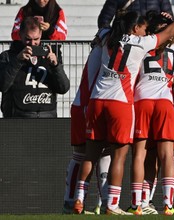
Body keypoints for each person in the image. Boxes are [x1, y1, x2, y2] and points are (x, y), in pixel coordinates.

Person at [73, 9, 174, 215]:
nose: (145, 32)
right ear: (136, 28)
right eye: (143, 29)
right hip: (120, 102)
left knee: (90, 155)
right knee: (118, 156)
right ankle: (112, 205)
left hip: (96, 99)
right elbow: (168, 33)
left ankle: (78, 200)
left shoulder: (108, 36)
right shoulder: (141, 43)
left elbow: (100, 31)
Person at [127, 11, 174, 216]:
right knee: (167, 155)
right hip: (165, 103)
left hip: (143, 101)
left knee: (139, 154)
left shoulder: (141, 46)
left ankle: (137, 204)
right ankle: (168, 204)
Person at [62, 29, 111, 215]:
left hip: (82, 103)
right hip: (90, 105)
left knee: (81, 155)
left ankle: (72, 201)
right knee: (101, 153)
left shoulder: (100, 49)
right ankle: (106, 203)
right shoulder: (108, 50)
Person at [0, 16, 69, 118]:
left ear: (41, 35)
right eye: (28, 39)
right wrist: (17, 61)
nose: (32, 43)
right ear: (20, 35)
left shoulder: (50, 55)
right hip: (18, 117)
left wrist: (55, 66)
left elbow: (63, 88)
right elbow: (2, 85)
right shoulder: (8, 56)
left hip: (47, 116)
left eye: (36, 39)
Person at [97, 0, 174, 29]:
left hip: (154, 42)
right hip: (127, 42)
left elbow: (170, 19)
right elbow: (104, 20)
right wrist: (110, 39)